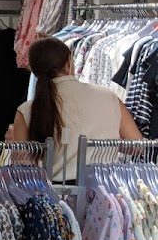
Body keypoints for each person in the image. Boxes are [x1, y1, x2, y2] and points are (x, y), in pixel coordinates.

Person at [9, 36, 141, 180]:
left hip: (51, 191)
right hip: (103, 188)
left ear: (34, 71)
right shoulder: (109, 97)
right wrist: (107, 141)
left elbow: (23, 168)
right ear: (68, 64)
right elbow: (137, 146)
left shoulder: (27, 110)